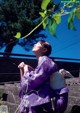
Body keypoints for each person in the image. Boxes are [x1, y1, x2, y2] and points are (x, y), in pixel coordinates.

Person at [18, 40, 68, 113]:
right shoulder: (44, 62)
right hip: (49, 99)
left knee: (28, 98)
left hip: (54, 101)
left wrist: (25, 69)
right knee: (27, 97)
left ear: (44, 49)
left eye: (38, 43)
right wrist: (22, 69)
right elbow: (24, 86)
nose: (34, 44)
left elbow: (29, 84)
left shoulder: (45, 61)